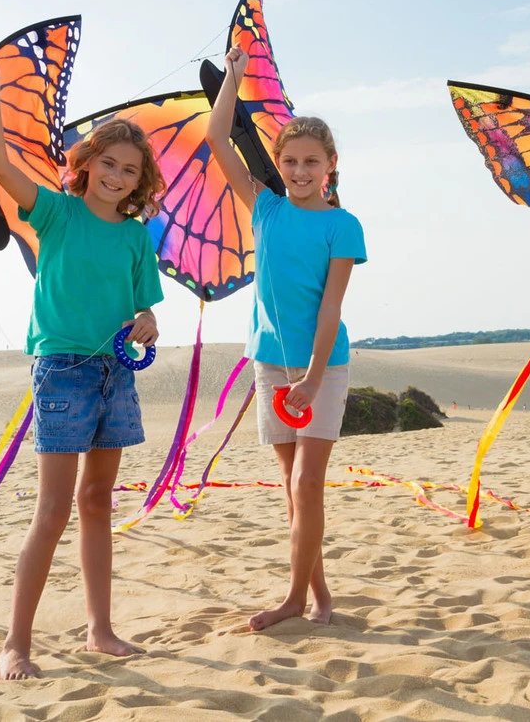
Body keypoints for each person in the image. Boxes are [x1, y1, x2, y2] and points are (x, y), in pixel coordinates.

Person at [0, 49, 167, 678]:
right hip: (62, 370)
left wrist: (147, 322)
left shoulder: (136, 237)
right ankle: (15, 644)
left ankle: (100, 630)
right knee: (53, 509)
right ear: (85, 165)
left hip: (116, 373)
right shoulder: (55, 211)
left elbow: (147, 309)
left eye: (129, 170)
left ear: (140, 181)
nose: (116, 176)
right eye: (107, 163)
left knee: (99, 500)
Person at [207, 46, 366, 630]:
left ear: (330, 165)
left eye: (311, 162)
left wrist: (314, 377)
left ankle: (294, 600)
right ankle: (316, 594)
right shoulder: (266, 207)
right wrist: (233, 79)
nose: (300, 171)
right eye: (291, 161)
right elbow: (218, 138)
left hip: (322, 369)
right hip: (271, 365)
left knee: (308, 480)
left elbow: (331, 307)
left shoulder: (342, 226)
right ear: (280, 164)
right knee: (292, 490)